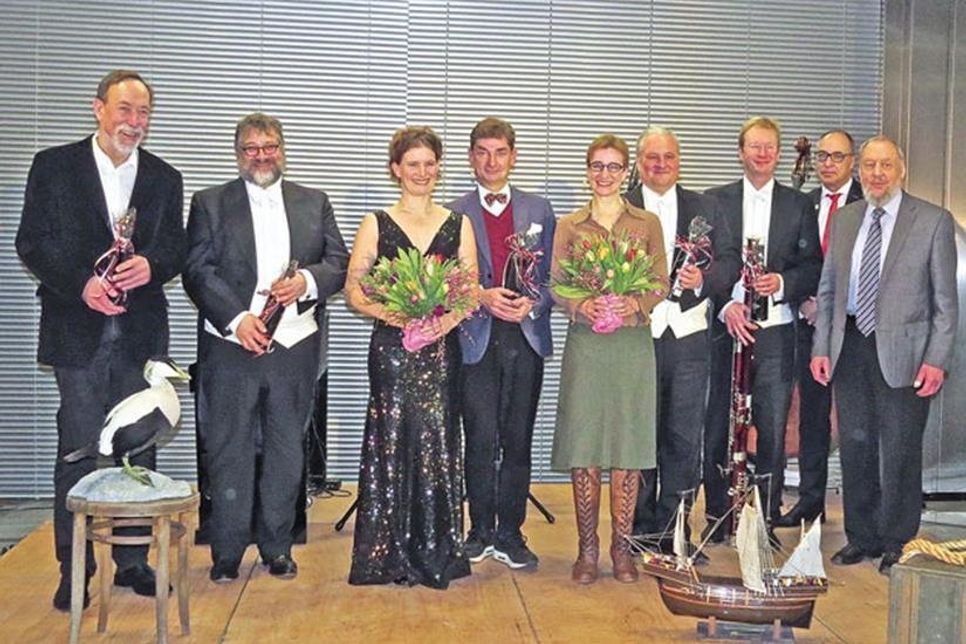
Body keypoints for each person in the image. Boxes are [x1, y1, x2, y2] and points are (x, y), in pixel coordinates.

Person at [16, 69, 187, 610]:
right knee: (78, 450)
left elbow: (175, 249)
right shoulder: (53, 166)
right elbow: (32, 243)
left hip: (140, 337)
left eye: (143, 114)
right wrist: (82, 284)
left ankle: (133, 561)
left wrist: (151, 266)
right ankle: (75, 569)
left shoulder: (164, 176)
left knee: (139, 446)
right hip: (77, 329)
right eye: (124, 110)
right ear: (98, 109)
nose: (133, 123)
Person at [183, 112, 348, 583]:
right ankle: (227, 553)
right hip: (230, 345)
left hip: (293, 346)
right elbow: (197, 269)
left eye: (269, 145)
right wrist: (238, 321)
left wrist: (307, 281)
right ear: (238, 154)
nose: (261, 155)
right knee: (227, 447)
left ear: (283, 149)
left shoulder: (314, 202)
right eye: (251, 148)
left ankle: (278, 546)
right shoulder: (209, 203)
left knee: (285, 448)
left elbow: (338, 261)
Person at [811, 135, 957, 575]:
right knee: (855, 446)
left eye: (885, 166)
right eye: (870, 166)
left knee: (899, 449)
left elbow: (945, 304)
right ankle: (862, 535)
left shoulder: (932, 221)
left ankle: (897, 539)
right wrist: (822, 347)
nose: (877, 174)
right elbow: (829, 289)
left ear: (901, 169)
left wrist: (937, 359)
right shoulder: (847, 220)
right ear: (859, 170)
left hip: (908, 355)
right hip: (850, 345)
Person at [345, 126, 478, 589]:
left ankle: (436, 549)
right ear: (396, 170)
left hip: (442, 349)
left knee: (438, 440)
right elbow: (354, 289)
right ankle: (388, 552)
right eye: (412, 164)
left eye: (429, 163)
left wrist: (441, 323)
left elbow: (469, 288)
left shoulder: (458, 223)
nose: (421, 172)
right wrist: (399, 316)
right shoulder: (375, 221)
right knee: (393, 437)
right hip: (392, 350)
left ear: (439, 167)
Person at [551, 134, 668, 585]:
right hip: (588, 344)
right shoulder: (569, 225)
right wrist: (584, 306)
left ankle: (622, 549)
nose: (605, 175)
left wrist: (634, 304)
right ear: (587, 171)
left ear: (626, 172)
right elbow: (557, 283)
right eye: (597, 166)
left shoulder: (647, 223)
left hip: (632, 344)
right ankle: (587, 551)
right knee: (585, 445)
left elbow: (660, 279)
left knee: (628, 445)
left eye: (613, 167)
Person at [702, 116, 822, 544]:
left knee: (771, 427)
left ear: (778, 152)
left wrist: (784, 283)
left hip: (775, 331)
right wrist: (726, 305)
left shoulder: (799, 204)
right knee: (718, 424)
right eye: (754, 146)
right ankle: (718, 514)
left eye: (770, 146)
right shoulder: (713, 201)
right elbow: (702, 265)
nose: (762, 153)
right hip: (725, 328)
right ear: (740, 151)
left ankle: (765, 518)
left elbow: (813, 267)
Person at [447, 117, 556, 570]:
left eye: (500, 152)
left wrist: (533, 304)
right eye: (483, 152)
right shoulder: (453, 213)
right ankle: (479, 531)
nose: (491, 161)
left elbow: (557, 279)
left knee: (517, 439)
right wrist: (480, 297)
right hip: (475, 337)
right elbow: (446, 283)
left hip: (524, 336)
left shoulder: (540, 209)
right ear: (472, 156)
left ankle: (511, 532)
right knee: (479, 437)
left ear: (513, 156)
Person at [625, 127, 739, 555]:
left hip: (689, 338)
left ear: (679, 161)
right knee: (640, 435)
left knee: (683, 436)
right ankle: (636, 529)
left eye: (668, 157)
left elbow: (730, 261)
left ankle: (675, 532)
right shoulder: (623, 207)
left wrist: (704, 279)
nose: (660, 165)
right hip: (637, 335)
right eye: (652, 158)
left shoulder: (706, 207)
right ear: (639, 162)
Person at [775, 129, 863, 529]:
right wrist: (805, 302)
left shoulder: (870, 204)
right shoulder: (804, 204)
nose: (828, 163)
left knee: (857, 423)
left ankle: (864, 517)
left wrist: (831, 309)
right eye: (823, 157)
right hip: (809, 326)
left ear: (852, 161)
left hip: (856, 329)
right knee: (812, 418)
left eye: (837, 157)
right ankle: (811, 502)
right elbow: (796, 263)